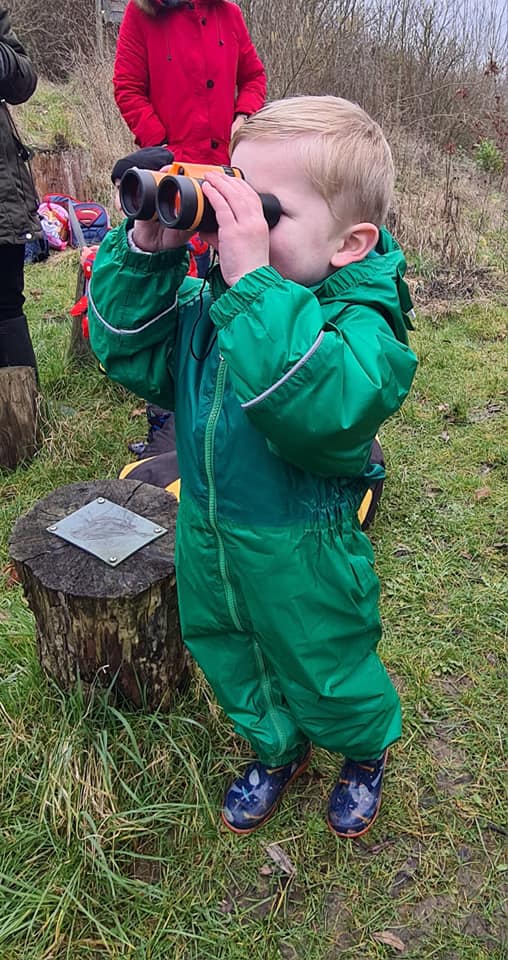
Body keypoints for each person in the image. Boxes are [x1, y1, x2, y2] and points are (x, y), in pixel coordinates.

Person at [88, 96, 418, 839]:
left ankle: (363, 749)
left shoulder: (360, 327)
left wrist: (253, 284)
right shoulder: (216, 301)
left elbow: (323, 407)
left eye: (265, 211)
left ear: (349, 243)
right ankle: (276, 748)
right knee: (230, 650)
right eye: (231, 191)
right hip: (209, 531)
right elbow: (127, 350)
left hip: (304, 550)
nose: (237, 223)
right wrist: (149, 247)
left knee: (325, 665)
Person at [113, 0, 266, 164]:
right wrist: (159, 145)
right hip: (171, 168)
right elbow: (128, 87)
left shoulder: (229, 14)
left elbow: (253, 77)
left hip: (228, 163)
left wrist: (242, 119)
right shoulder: (141, 14)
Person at [0, 6, 41, 377]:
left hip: (2, 191)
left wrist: (2, 59)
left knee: (7, 303)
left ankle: (26, 408)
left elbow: (25, 83)